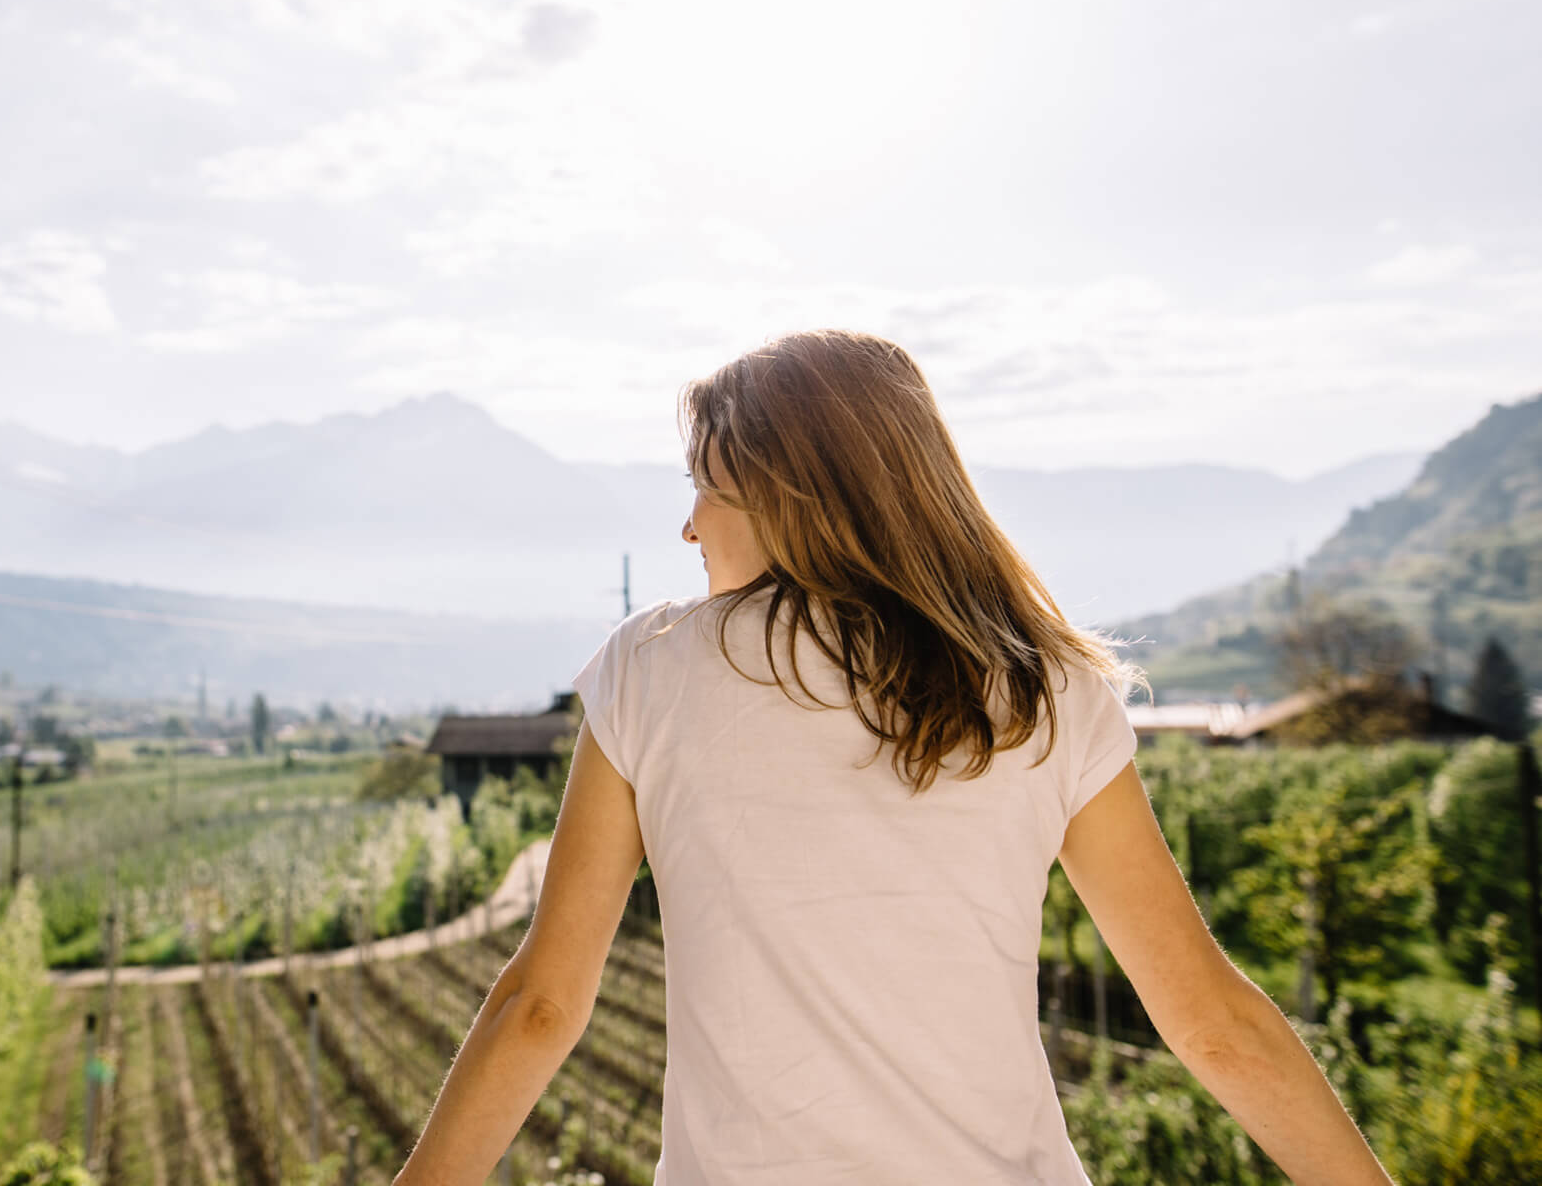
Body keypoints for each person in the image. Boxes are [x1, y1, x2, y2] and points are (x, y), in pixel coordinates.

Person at [391, 329, 1396, 1185]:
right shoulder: (1042, 685)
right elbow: (1212, 1021)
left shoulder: (650, 669)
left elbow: (541, 1007)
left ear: (793, 494)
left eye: (706, 486)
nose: (688, 524)